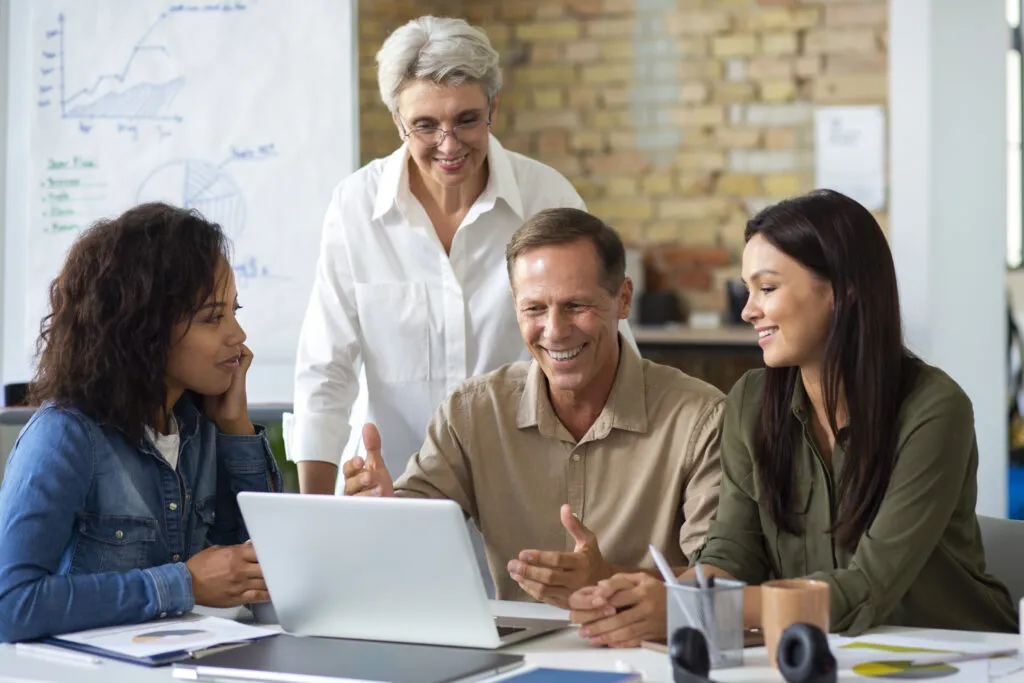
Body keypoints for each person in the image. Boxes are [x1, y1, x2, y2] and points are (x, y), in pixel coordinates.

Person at [568, 189, 1018, 648]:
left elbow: (867, 588)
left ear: (843, 291)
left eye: (767, 288)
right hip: (825, 655)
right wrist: (664, 595)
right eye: (748, 290)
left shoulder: (934, 409)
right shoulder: (752, 400)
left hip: (958, 658)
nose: (748, 310)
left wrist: (703, 606)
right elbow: (734, 554)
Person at [290, 16, 633, 494]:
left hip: (527, 489)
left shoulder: (546, 196)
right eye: (425, 126)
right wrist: (316, 512)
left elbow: (609, 350)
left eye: (467, 120)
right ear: (397, 122)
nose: (449, 146)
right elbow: (325, 371)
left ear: (492, 106)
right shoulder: (355, 208)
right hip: (389, 490)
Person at [342, 208, 723, 606]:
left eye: (576, 306)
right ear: (515, 306)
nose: (555, 331)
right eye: (535, 309)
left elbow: (721, 580)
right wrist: (380, 513)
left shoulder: (700, 418)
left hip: (650, 656)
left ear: (622, 299)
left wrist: (607, 579)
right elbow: (409, 539)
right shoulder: (472, 414)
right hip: (514, 657)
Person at [0, 203, 282, 643]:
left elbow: (269, 587)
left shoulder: (201, 430)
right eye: (213, 317)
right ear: (144, 328)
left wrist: (235, 427)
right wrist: (181, 583)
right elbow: (10, 606)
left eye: (234, 310)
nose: (238, 335)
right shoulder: (64, 437)